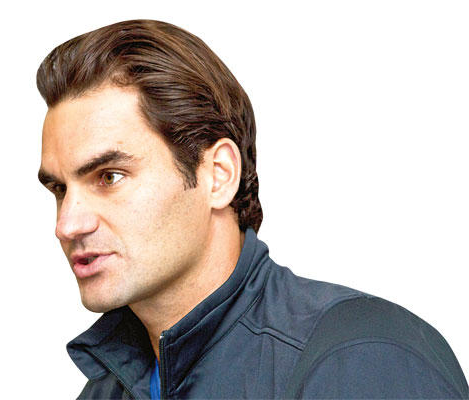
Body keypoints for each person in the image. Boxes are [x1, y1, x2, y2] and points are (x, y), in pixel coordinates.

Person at [36, 19, 468, 399]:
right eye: (59, 188)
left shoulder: (362, 358)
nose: (67, 224)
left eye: (109, 177)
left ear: (218, 176)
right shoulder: (106, 390)